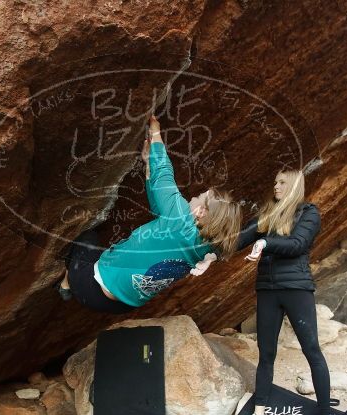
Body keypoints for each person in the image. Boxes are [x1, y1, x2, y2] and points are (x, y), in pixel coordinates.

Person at [194, 169, 332, 415]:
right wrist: (211, 254)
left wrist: (265, 242)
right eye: (275, 181)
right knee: (266, 355)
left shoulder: (308, 213)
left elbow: (297, 243)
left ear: (293, 185)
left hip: (295, 288)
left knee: (311, 350)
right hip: (268, 290)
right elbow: (240, 238)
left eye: (282, 182)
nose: (276, 186)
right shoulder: (267, 215)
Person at [57, 116, 241, 313]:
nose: (194, 197)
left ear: (201, 212)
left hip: (89, 288)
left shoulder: (180, 218)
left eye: (199, 196)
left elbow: (163, 172)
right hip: (121, 306)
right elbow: (158, 209)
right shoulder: (206, 247)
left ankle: (66, 284)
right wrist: (147, 165)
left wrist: (155, 131)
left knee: (88, 237)